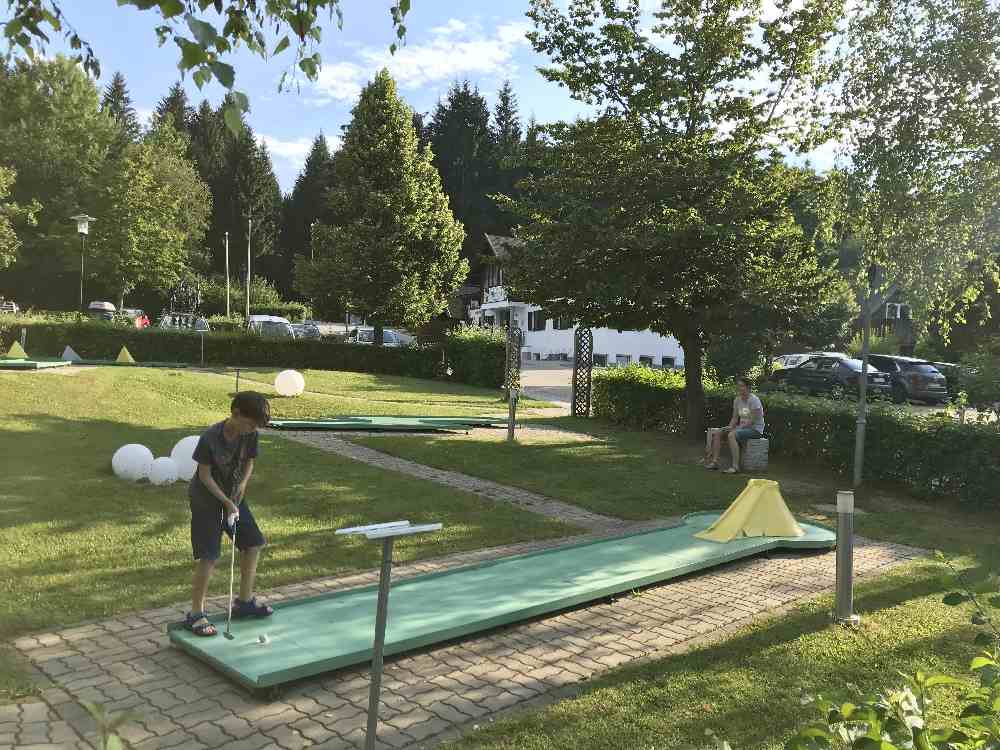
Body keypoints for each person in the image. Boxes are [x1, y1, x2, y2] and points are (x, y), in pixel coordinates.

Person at [185, 391, 273, 636]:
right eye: (250, 423)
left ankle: (244, 602)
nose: (252, 429)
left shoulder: (250, 435)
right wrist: (225, 501)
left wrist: (242, 485)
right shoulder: (210, 438)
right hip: (207, 499)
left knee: (253, 542)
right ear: (235, 414)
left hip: (233, 497)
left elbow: (249, 462)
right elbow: (204, 476)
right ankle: (196, 614)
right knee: (209, 555)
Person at [705, 377, 765, 474]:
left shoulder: (754, 400)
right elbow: (735, 418)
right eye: (739, 386)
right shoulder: (737, 400)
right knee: (718, 432)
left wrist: (738, 428)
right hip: (741, 428)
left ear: (748, 387)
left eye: (742, 386)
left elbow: (753, 420)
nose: (740, 388)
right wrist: (730, 426)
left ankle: (735, 467)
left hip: (755, 430)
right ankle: (715, 462)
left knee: (732, 435)